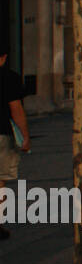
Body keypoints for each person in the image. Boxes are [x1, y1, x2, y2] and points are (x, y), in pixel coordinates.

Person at [0, 44, 31, 240]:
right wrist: (25, 136)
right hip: (2, 135)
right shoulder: (8, 78)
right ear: (3, 57)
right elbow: (16, 109)